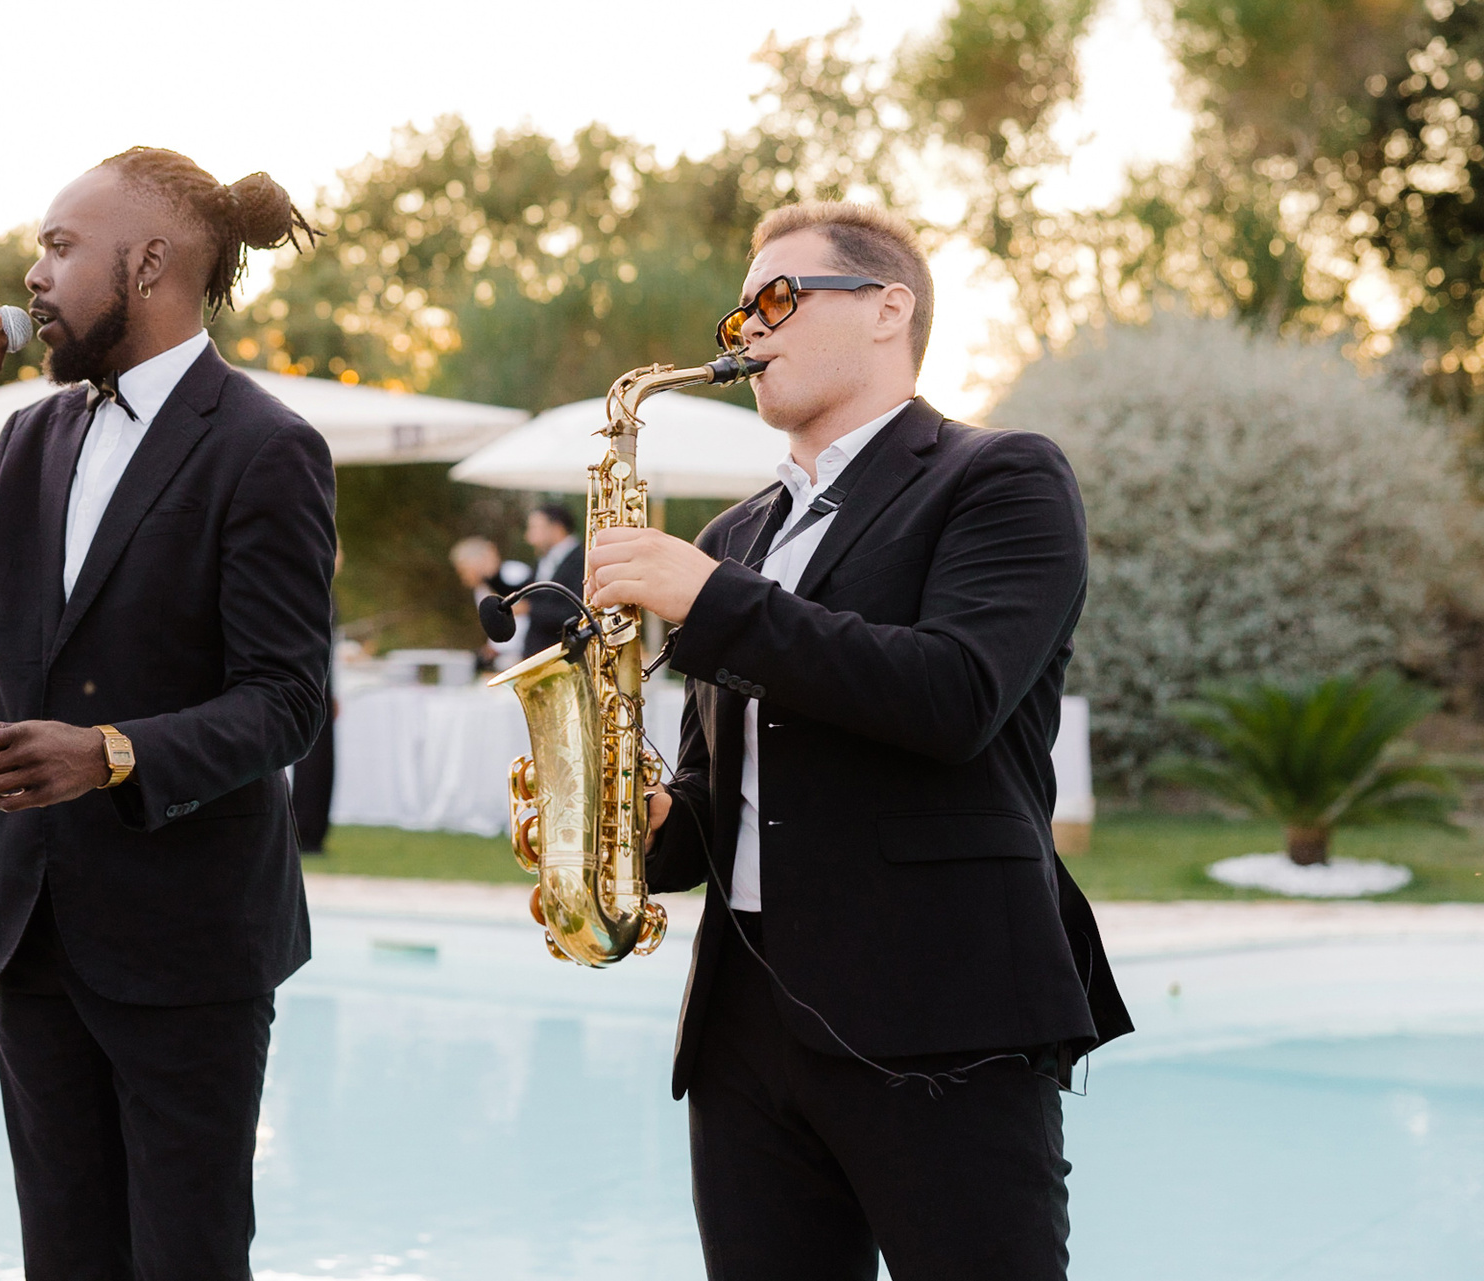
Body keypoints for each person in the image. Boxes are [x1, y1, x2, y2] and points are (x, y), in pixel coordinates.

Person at [587, 200, 1131, 1280]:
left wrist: (711, 599)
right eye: (739, 312)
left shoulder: (1002, 476)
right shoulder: (734, 535)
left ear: (890, 309)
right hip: (744, 1032)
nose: (747, 329)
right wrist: (638, 820)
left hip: (940, 1013)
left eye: (779, 298)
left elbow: (955, 694)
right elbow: (719, 793)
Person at [0, 147, 335, 1281]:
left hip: (190, 947)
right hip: (35, 933)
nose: (32, 275)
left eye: (60, 247)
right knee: (64, 1257)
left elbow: (284, 703)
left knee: (186, 1258)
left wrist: (111, 753)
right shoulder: (37, 435)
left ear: (151, 262)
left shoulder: (266, 447)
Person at [292, 540, 343, 853]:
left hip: (321, 678)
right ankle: (307, 827)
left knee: (320, 756)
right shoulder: (312, 587)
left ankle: (313, 829)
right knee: (312, 754)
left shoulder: (322, 588)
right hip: (312, 678)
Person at [449, 535, 530, 670]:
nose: (464, 579)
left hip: (525, 651)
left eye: (464, 571)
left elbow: (526, 611)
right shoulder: (480, 590)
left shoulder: (513, 572)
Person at [519, 502, 585, 658]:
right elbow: (524, 591)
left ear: (556, 528)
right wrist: (491, 576)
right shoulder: (545, 559)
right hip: (536, 652)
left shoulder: (581, 560)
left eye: (534, 528)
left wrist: (530, 609)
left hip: (562, 654)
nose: (529, 538)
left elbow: (575, 612)